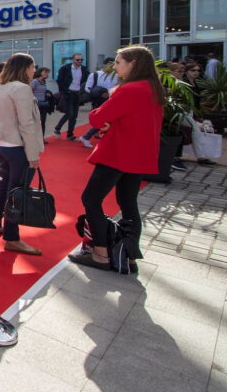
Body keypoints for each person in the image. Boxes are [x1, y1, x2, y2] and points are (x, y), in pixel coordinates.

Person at [69, 46, 163, 273]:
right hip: (139, 153)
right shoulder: (153, 89)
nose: (115, 66)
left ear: (133, 63)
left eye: (119, 62)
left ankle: (100, 253)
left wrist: (110, 106)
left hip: (119, 152)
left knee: (91, 198)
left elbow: (96, 117)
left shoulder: (130, 89)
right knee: (128, 203)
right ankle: (129, 254)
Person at [0, 53, 44, 255]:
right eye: (32, 66)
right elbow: (26, 123)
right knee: (16, 193)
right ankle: (12, 237)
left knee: (4, 189)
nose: (34, 70)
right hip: (18, 146)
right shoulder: (21, 89)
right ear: (24, 68)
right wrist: (32, 154)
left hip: (2, 144)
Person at [79, 58, 118, 148]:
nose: (111, 67)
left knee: (108, 121)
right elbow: (87, 88)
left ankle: (89, 137)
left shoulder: (115, 75)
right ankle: (86, 137)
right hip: (98, 100)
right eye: (109, 64)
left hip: (111, 100)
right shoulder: (95, 74)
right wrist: (99, 93)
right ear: (104, 65)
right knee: (101, 120)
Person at [54, 52, 86, 140]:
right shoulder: (65, 68)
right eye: (78, 59)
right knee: (69, 113)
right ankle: (57, 128)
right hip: (68, 93)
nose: (80, 61)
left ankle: (70, 134)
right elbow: (59, 80)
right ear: (73, 60)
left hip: (77, 93)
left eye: (81, 59)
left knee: (74, 115)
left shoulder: (83, 69)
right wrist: (65, 91)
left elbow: (86, 80)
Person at [30, 67, 54, 142]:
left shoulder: (43, 82)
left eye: (47, 72)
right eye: (45, 72)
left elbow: (42, 91)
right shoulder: (35, 82)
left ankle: (41, 138)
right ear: (40, 72)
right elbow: (29, 91)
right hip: (36, 104)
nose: (47, 74)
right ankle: (34, 139)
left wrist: (46, 94)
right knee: (36, 122)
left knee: (43, 122)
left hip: (43, 103)